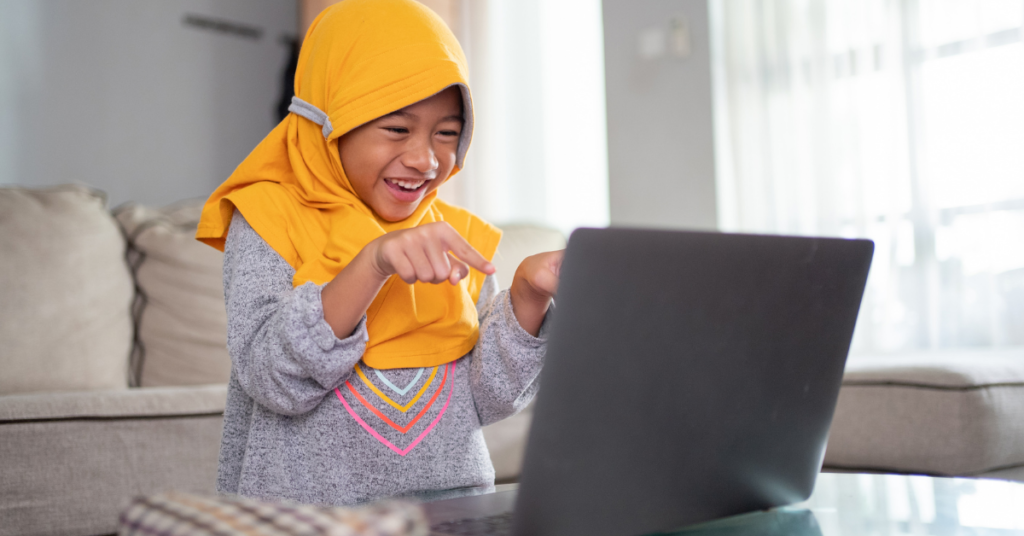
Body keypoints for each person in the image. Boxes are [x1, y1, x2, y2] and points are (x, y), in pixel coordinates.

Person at [195, 0, 562, 506]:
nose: (425, 159)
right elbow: (272, 378)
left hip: (453, 514)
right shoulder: (266, 219)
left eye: (448, 133)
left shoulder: (458, 238)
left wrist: (526, 298)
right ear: (328, 120)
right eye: (396, 127)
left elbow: (491, 398)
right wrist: (372, 263)